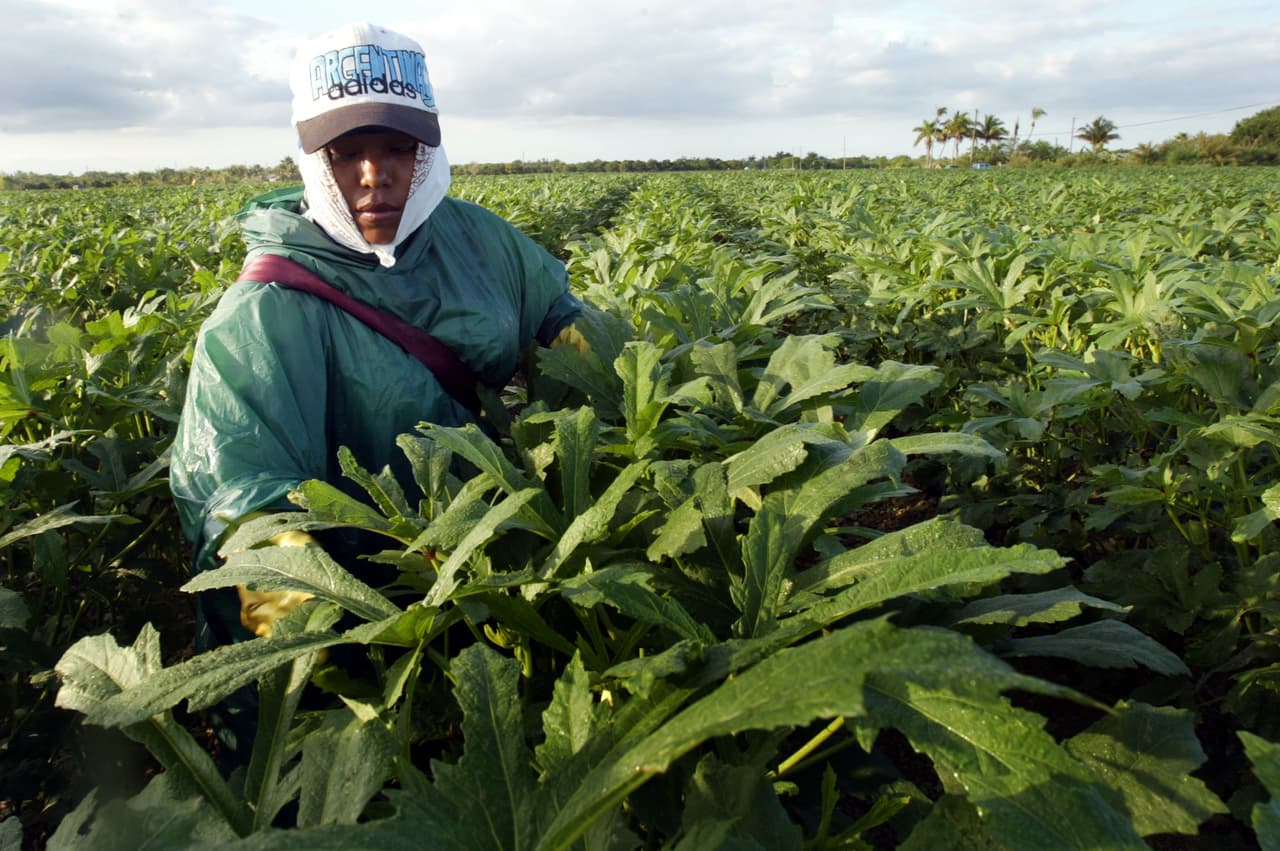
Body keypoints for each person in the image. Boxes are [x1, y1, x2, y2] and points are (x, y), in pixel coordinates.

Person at [169, 21, 587, 758]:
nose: (375, 174)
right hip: (364, 632)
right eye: (347, 152)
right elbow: (240, 500)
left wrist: (601, 363)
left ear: (428, 150)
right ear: (311, 158)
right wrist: (321, 644)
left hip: (491, 585)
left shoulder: (474, 239)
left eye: (399, 148)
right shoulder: (265, 311)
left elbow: (556, 313)